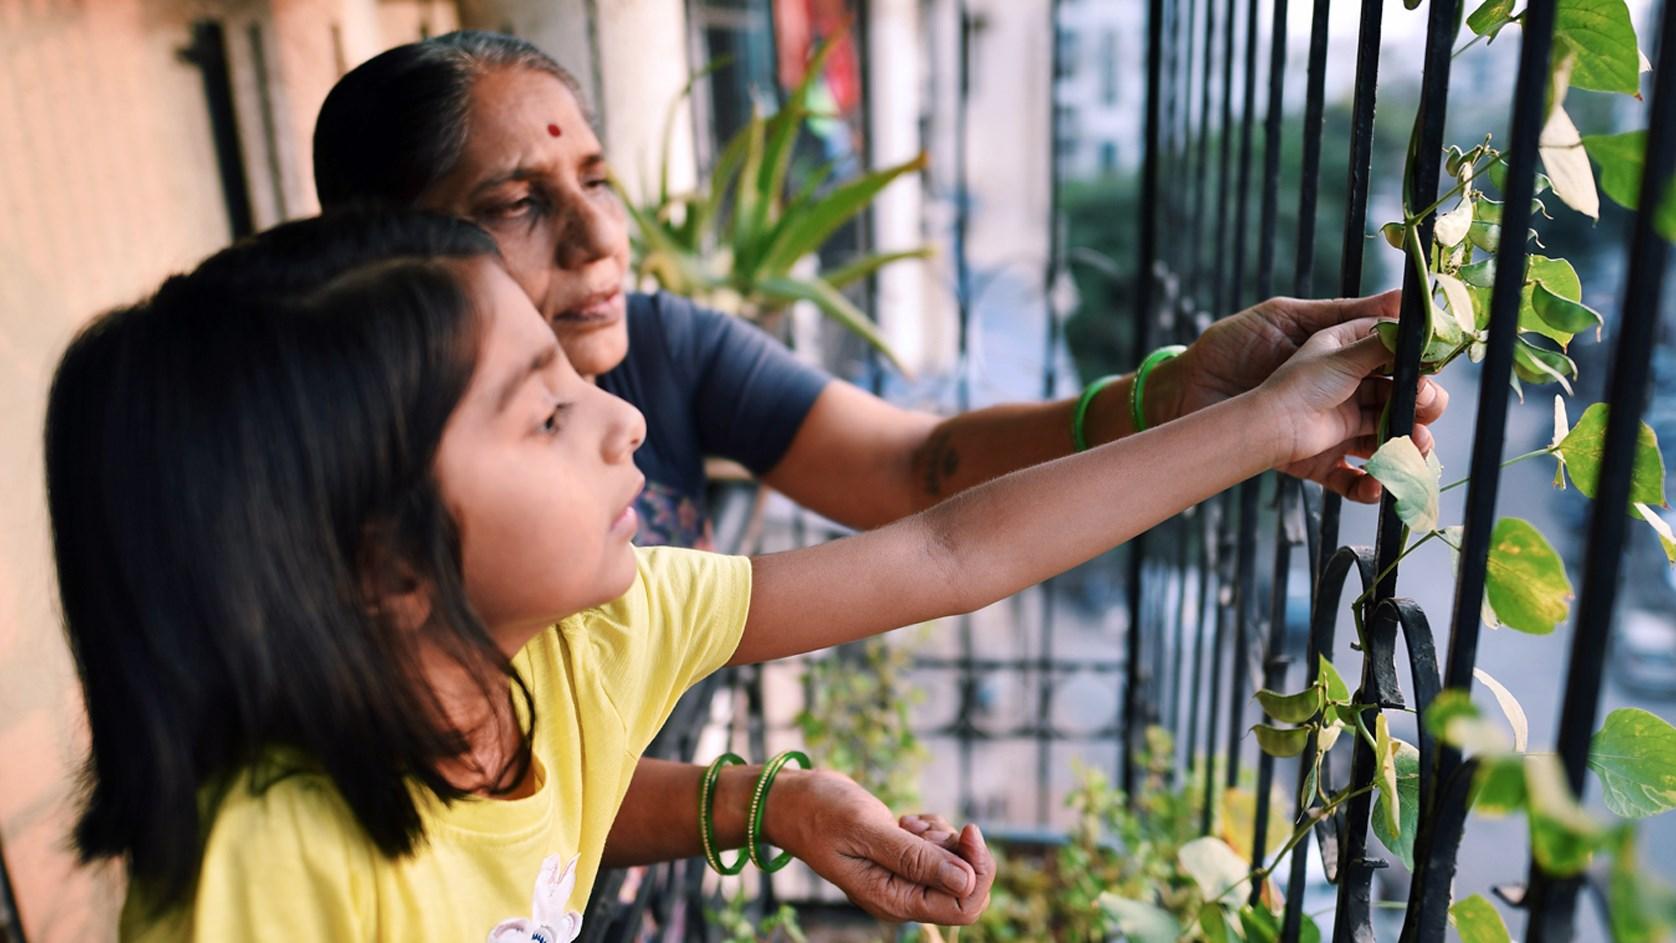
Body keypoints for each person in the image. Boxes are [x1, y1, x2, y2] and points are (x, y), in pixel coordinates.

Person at [50, 208, 1428, 940]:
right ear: (387, 567)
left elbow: (953, 547)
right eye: (543, 411)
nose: (627, 418)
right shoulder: (275, 871)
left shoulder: (580, 642)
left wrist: (1254, 427)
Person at [308, 30, 1449, 873]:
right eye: (515, 201)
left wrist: (1189, 404)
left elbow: (932, 498)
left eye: (596, 180)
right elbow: (465, 787)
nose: (603, 234)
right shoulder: (340, 538)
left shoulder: (653, 393)